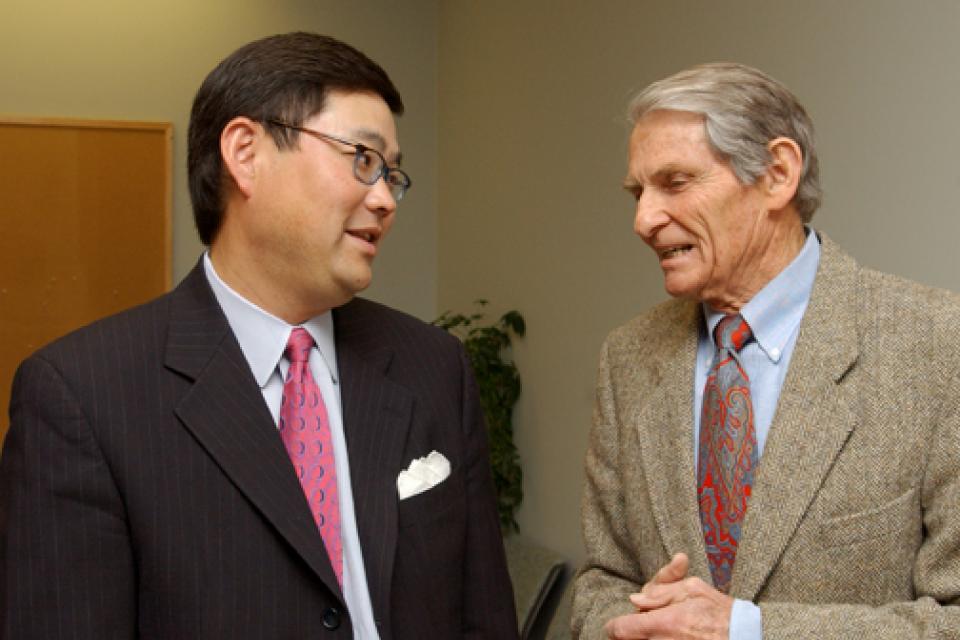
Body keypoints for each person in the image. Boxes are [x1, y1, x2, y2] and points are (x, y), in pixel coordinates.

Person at [0, 32, 518, 639]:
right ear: (246, 153)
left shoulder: (432, 365)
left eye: (391, 173)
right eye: (362, 159)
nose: (384, 199)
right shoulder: (82, 396)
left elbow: (483, 620)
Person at [572, 62, 960, 639]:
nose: (643, 219)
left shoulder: (936, 344)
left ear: (778, 174)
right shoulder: (627, 357)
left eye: (675, 183)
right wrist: (627, 627)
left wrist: (747, 629)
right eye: (638, 193)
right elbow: (602, 581)